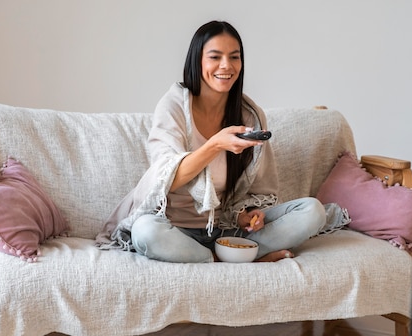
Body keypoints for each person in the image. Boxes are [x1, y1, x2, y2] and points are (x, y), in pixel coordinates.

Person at [96, 20, 326, 263]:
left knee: (313, 211)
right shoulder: (173, 106)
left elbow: (253, 193)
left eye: (234, 57)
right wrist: (215, 144)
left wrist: (247, 216)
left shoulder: (250, 115)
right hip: (173, 228)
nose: (226, 66)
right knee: (145, 232)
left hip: (226, 229)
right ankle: (233, 259)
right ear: (198, 61)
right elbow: (168, 179)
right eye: (215, 57)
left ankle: (220, 256)